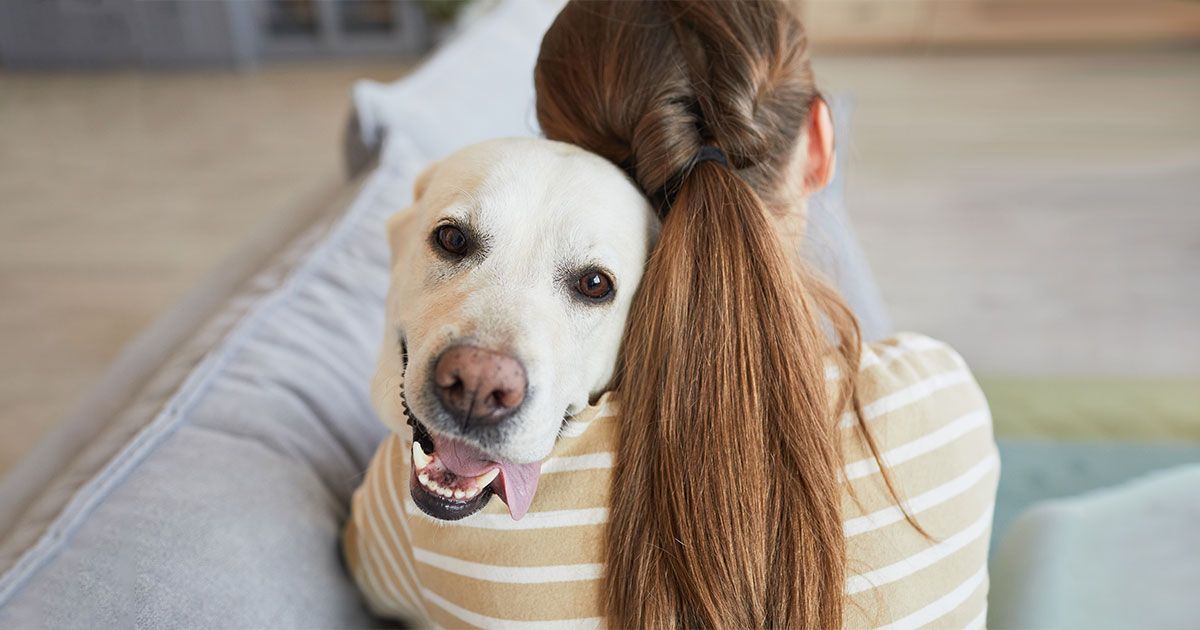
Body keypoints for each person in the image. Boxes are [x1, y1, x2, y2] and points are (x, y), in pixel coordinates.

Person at [345, 1, 998, 627]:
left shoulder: (421, 508)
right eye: (456, 243)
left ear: (567, 146)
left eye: (593, 284)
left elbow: (373, 587)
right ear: (822, 143)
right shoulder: (943, 400)